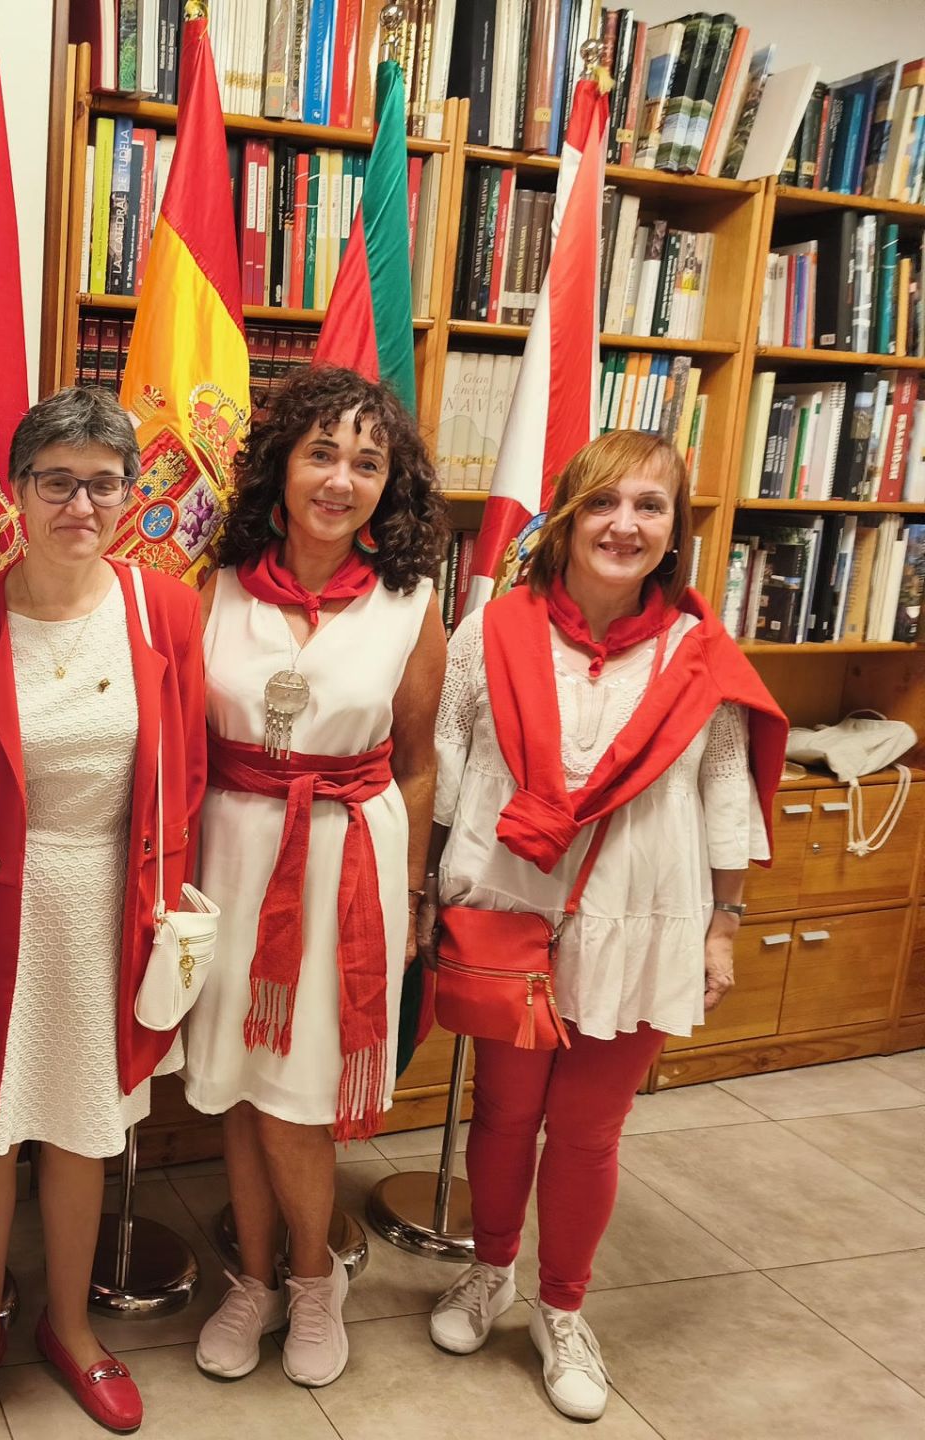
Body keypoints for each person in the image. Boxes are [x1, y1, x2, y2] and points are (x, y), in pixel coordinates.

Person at [419, 428, 785, 1421]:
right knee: (501, 1116)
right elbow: (444, 761)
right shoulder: (489, 629)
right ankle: (488, 1273)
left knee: (586, 1134)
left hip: (640, 917)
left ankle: (561, 1308)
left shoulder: (701, 654)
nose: (624, 524)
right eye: (603, 503)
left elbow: (723, 789)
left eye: (650, 507)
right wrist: (435, 885)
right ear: (568, 518)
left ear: (675, 532)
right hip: (509, 909)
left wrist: (724, 925)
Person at [0, 385, 206, 1440]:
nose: (79, 503)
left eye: (102, 483)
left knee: (80, 1135)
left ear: (130, 496)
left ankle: (71, 1327)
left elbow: (183, 781)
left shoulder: (168, 611)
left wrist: (176, 932)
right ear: (15, 494)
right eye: (55, 481)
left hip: (110, 912)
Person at [184, 365, 448, 1388]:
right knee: (241, 1089)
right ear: (283, 467)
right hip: (233, 854)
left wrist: (415, 894)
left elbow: (420, 764)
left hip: (348, 859)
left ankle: (313, 1276)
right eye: (322, 453)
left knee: (296, 1093)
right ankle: (250, 1278)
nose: (342, 479)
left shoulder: (408, 601)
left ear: (390, 484)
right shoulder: (218, 585)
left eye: (368, 462)